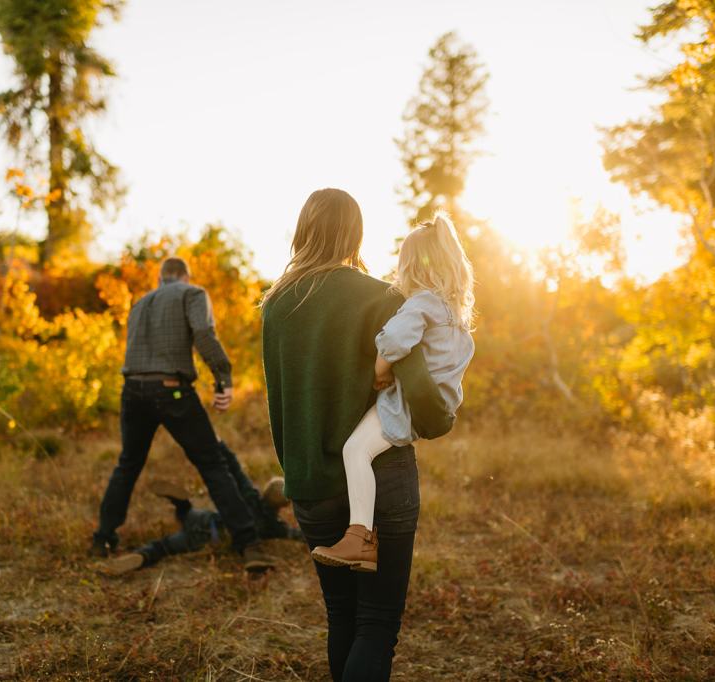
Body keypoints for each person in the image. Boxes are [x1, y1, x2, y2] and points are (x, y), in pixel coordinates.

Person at [261, 188, 454, 681]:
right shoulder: (381, 296)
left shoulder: (276, 306)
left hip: (309, 483)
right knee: (377, 624)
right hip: (382, 476)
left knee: (342, 616)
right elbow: (420, 392)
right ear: (356, 233)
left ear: (302, 230)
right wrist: (439, 419)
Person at [311, 215, 475, 572]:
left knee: (355, 450)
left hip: (405, 405)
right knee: (363, 449)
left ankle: (360, 537)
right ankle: (362, 536)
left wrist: (379, 373)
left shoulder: (422, 304)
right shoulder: (453, 312)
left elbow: (394, 340)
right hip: (433, 407)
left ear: (411, 265)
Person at [91, 257, 274, 571]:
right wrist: (223, 378)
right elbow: (203, 334)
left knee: (128, 463)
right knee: (212, 462)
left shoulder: (139, 304)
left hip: (132, 390)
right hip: (172, 389)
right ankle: (248, 542)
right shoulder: (192, 294)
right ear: (185, 276)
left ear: (161, 277)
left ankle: (103, 538)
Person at [98, 441, 302, 576]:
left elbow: (236, 471)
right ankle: (143, 555)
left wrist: (220, 445)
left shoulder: (250, 496)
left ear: (265, 491)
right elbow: (295, 534)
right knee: (163, 547)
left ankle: (180, 502)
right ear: (284, 505)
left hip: (206, 520)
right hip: (209, 541)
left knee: (186, 513)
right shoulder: (274, 526)